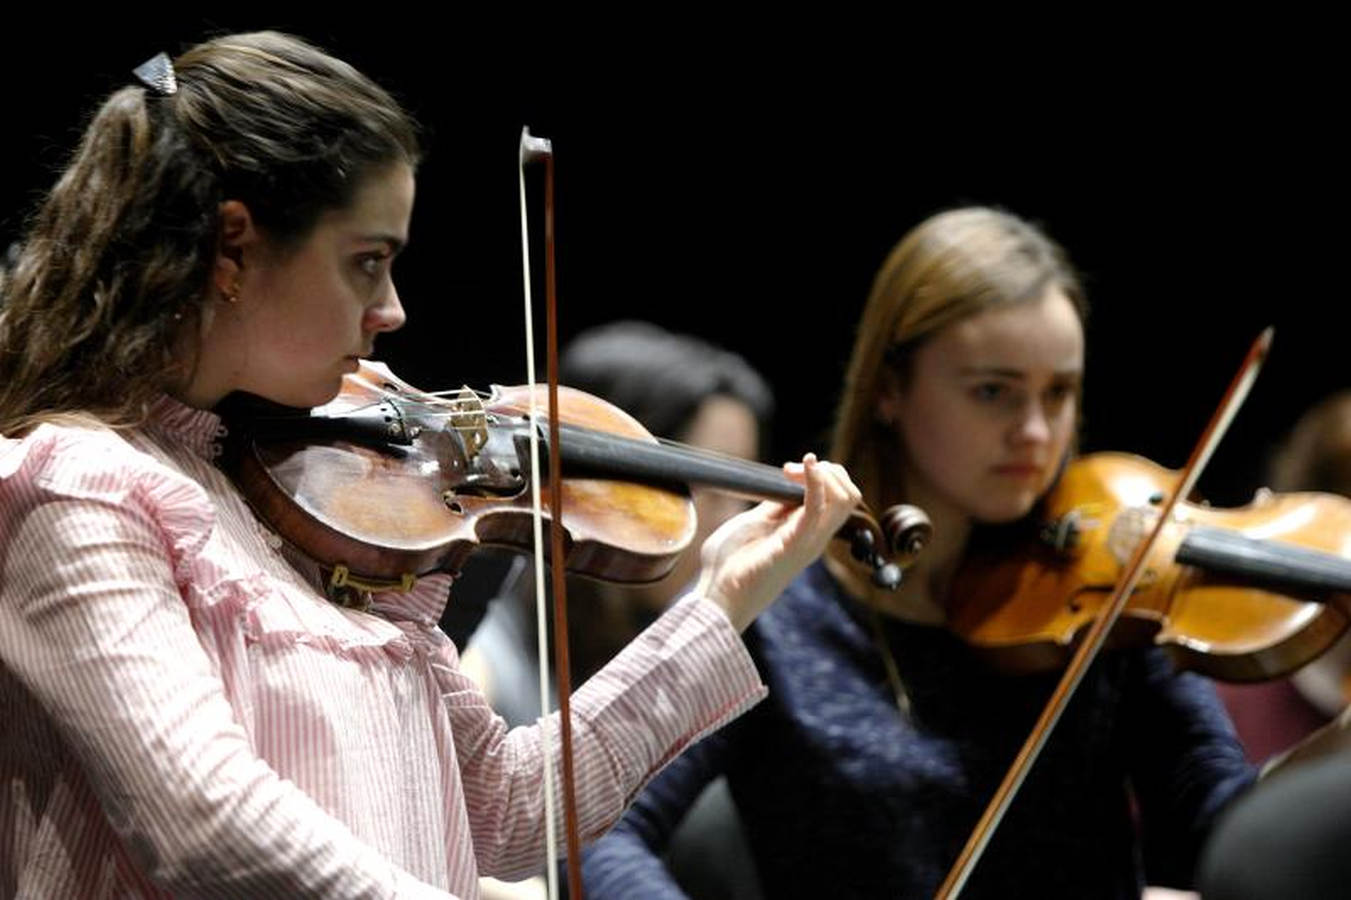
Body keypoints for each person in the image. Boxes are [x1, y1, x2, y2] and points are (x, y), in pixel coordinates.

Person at [0, 33, 861, 898]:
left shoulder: (311, 507)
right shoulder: (80, 489)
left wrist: (723, 598)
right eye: (366, 263)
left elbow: (511, 811)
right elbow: (207, 822)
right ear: (233, 249)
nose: (392, 311)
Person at [580, 207, 1262, 899]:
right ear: (888, 388)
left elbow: (1227, 835)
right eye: (993, 392)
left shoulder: (1106, 600)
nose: (1034, 431)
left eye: (1058, 394)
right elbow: (600, 835)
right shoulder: (781, 609)